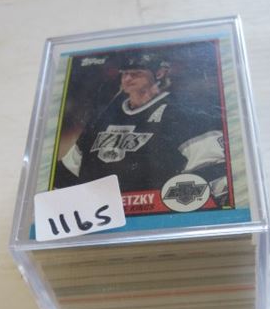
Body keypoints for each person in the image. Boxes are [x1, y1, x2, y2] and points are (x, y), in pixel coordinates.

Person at [54, 51, 230, 205]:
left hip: (154, 212)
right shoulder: (107, 114)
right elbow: (70, 169)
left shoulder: (180, 112)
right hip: (100, 213)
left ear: (159, 73)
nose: (128, 79)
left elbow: (213, 169)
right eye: (124, 74)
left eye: (136, 73)